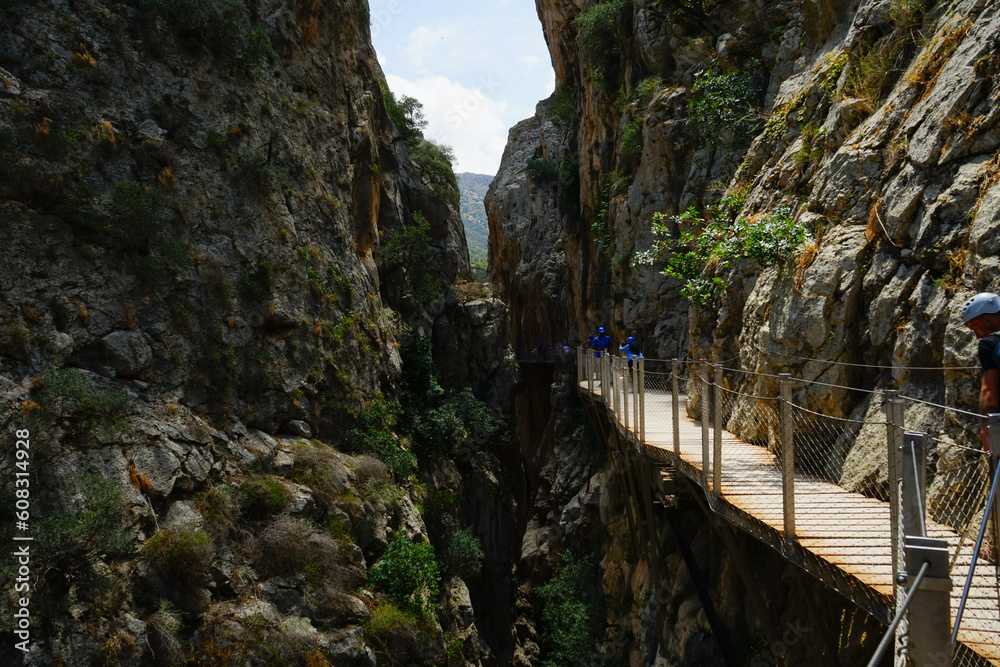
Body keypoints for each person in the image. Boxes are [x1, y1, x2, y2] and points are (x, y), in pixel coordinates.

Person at [961, 292, 1000, 453]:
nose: (976, 335)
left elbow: (989, 392)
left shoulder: (989, 344)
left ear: (987, 320)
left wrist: (987, 437)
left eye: (975, 328)